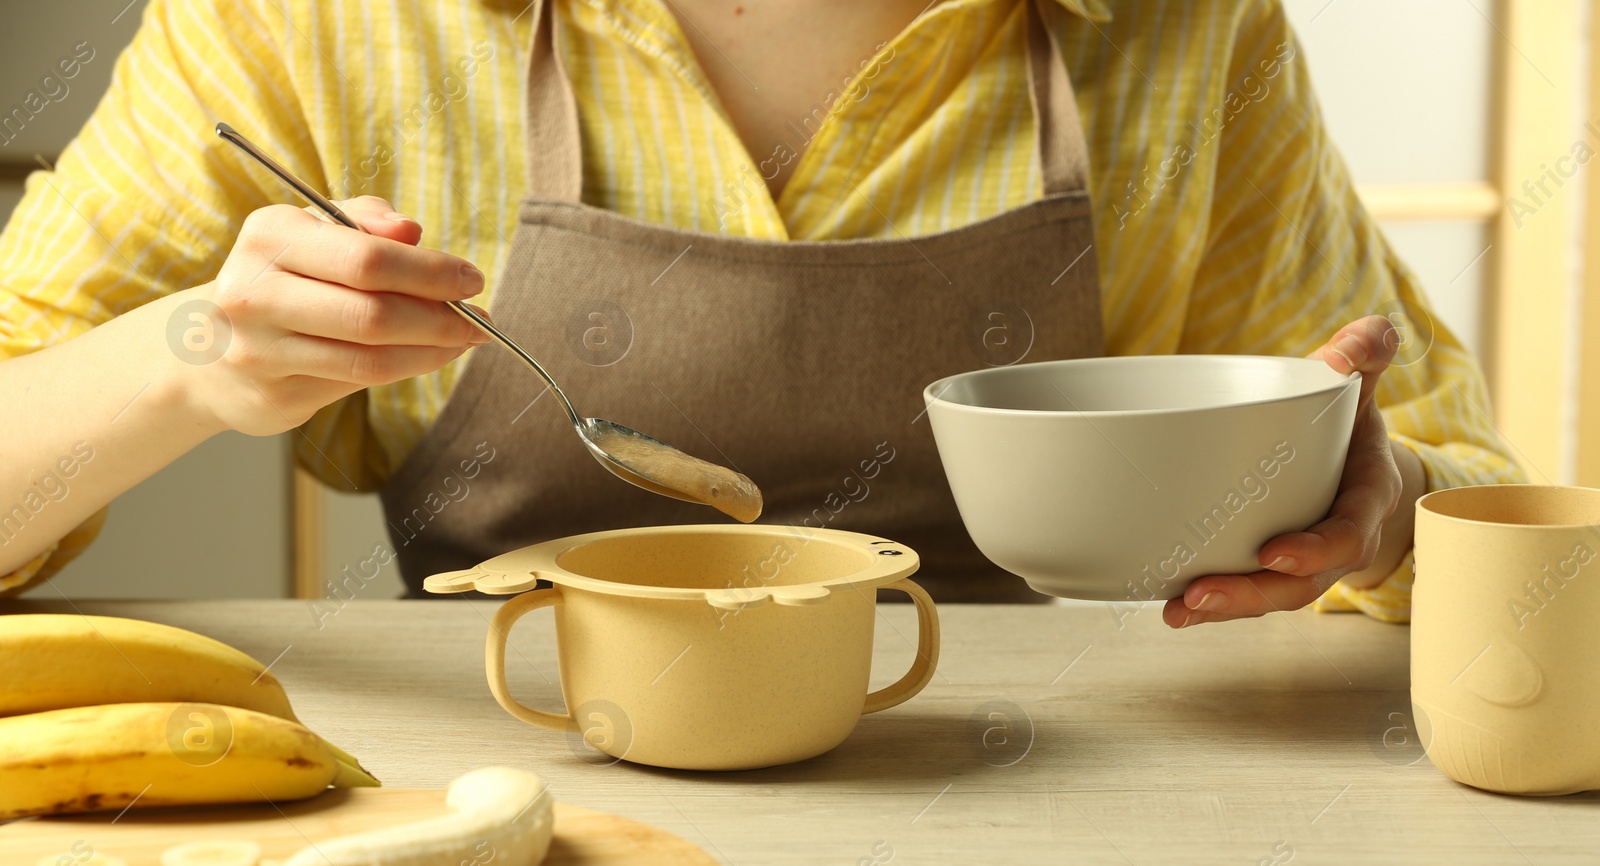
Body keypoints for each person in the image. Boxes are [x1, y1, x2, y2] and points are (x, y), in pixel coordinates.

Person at [0, 0, 1519, 625]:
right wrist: (189, 357)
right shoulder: (318, 22)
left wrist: (1380, 512)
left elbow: (1475, 513)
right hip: (500, 814)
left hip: (1027, 812)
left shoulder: (1190, 33)